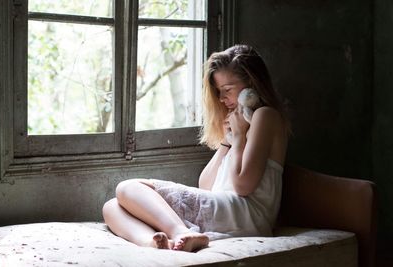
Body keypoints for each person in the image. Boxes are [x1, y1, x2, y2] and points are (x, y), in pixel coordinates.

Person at [102, 44, 290, 252]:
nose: (221, 98)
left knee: (128, 188)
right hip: (229, 210)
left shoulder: (266, 116)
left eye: (227, 90)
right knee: (112, 207)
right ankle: (154, 242)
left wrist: (238, 138)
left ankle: (180, 232)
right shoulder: (241, 124)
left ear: (251, 86)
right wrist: (227, 142)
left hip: (247, 214)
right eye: (219, 91)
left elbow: (243, 187)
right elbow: (206, 185)